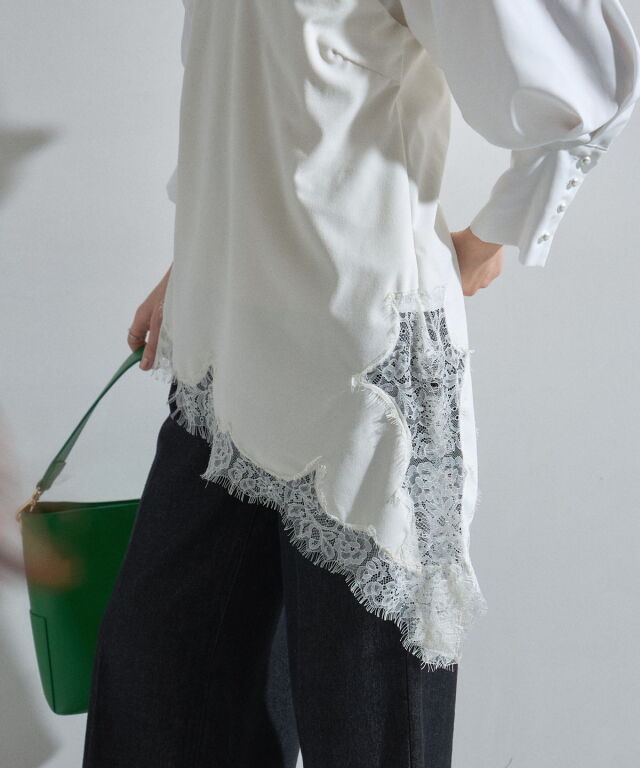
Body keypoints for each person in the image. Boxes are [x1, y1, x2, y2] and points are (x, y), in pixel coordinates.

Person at [82, 1, 640, 766]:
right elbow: (247, 89)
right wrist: (198, 257)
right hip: (224, 357)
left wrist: (493, 235)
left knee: (368, 731)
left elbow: (583, 87)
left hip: (363, 378)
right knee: (156, 697)